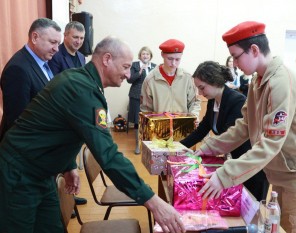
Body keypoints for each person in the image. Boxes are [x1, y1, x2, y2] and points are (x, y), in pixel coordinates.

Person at [0, 37, 185, 233]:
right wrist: (153, 201)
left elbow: (60, 129)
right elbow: (108, 155)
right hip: (19, 174)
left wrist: (69, 165)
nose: (127, 74)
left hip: (40, 173)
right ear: (107, 59)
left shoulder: (83, 82)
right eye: (125, 67)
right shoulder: (81, 89)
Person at [193, 21, 296, 233]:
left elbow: (270, 143)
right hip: (286, 172)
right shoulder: (257, 82)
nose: (234, 64)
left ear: (254, 50)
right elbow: (244, 126)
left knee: (295, 227)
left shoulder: (281, 83)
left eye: (236, 56)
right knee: (279, 227)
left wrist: (225, 175)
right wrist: (209, 147)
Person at [180, 61, 269, 201]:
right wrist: (179, 146)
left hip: (248, 165)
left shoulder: (237, 100)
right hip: (234, 163)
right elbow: (202, 129)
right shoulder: (213, 101)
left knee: (252, 206)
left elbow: (229, 135)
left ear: (215, 82)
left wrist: (205, 149)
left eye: (202, 88)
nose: (200, 93)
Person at [0, 18, 61, 140]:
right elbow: (19, 122)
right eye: (53, 42)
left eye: (58, 44)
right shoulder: (17, 69)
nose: (56, 49)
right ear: (34, 38)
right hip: (24, 151)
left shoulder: (42, 61)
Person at [48, 21, 87, 208]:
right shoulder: (56, 56)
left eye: (81, 38)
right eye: (75, 37)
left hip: (75, 113)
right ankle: (61, 202)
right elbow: (53, 86)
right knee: (60, 159)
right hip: (60, 114)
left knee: (70, 156)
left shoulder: (81, 56)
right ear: (65, 35)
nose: (78, 41)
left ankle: (70, 197)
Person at [140, 39, 201, 119]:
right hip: (159, 128)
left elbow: (194, 102)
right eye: (170, 59)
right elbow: (146, 110)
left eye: (177, 59)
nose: (173, 63)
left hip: (183, 126)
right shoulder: (150, 80)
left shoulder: (187, 78)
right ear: (162, 55)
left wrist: (194, 117)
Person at [127, 46, 156, 154]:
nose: (145, 56)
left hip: (151, 97)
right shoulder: (135, 65)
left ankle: (148, 144)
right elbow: (129, 79)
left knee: (149, 120)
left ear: (150, 56)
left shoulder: (154, 67)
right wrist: (140, 71)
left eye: (147, 54)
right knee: (137, 120)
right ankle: (137, 145)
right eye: (143, 54)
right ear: (140, 56)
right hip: (136, 95)